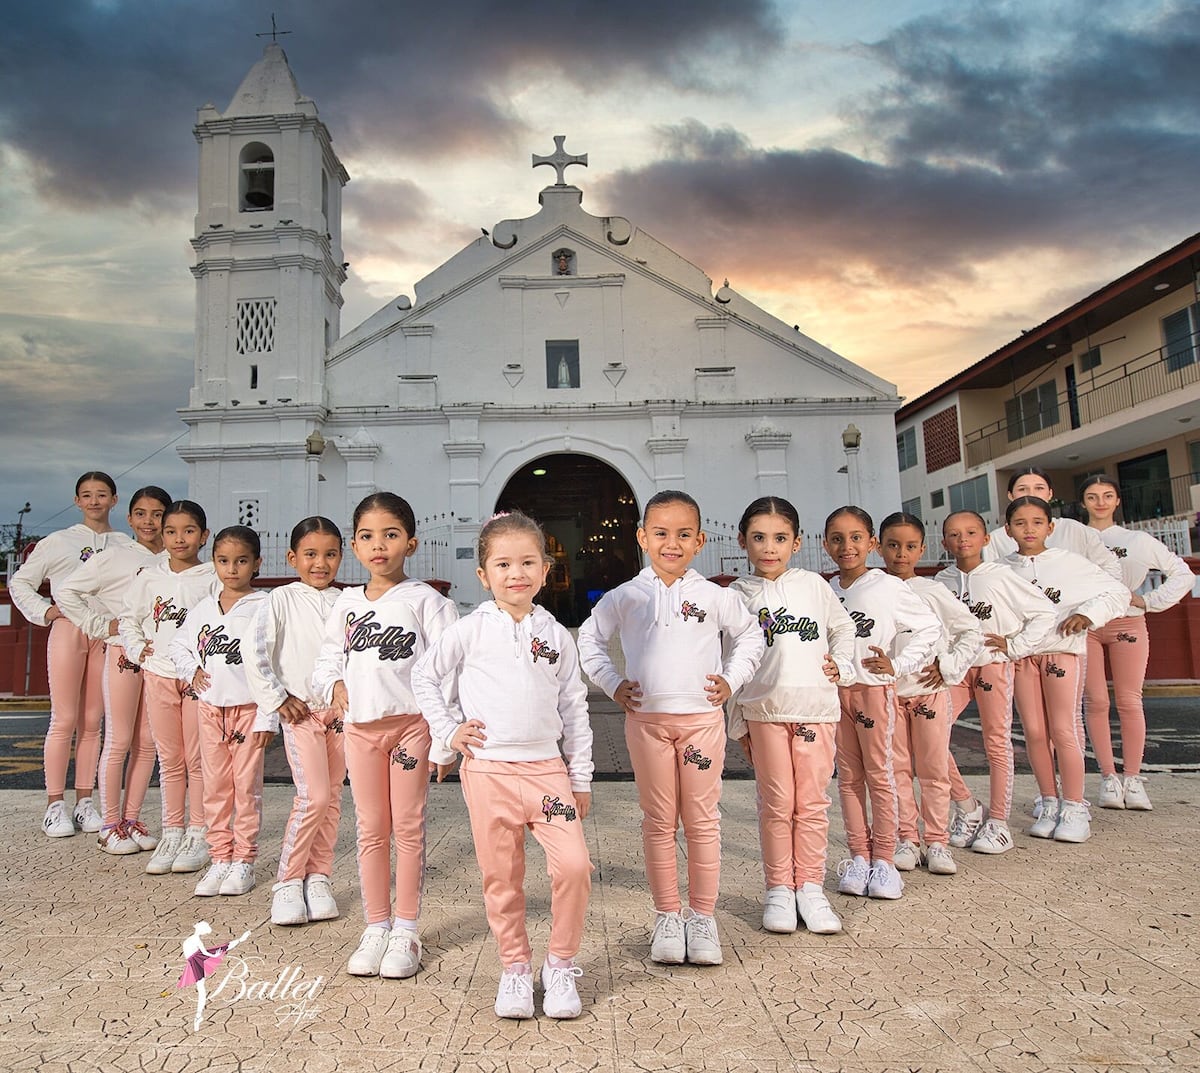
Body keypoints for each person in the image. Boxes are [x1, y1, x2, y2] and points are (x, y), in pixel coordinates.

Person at [413, 511, 594, 1020]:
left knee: (575, 866)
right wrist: (449, 731)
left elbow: (574, 708)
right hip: (488, 773)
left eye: (528, 562)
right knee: (502, 876)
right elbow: (426, 678)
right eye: (503, 563)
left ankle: (560, 965)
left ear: (545, 569)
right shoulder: (468, 630)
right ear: (484, 574)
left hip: (547, 774)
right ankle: (515, 968)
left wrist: (579, 775)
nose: (516, 573)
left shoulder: (556, 635)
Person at [578, 491, 764, 967]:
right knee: (659, 821)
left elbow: (750, 635)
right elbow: (589, 640)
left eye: (683, 534)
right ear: (643, 537)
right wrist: (613, 684)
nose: (672, 543)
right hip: (647, 724)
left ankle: (702, 917)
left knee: (702, 821)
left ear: (699, 540)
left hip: (702, 723)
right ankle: (667, 915)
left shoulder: (715, 597)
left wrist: (732, 678)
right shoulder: (626, 596)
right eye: (660, 533)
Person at [311, 493, 458, 980]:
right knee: (372, 829)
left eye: (391, 535)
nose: (379, 545)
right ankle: (376, 925)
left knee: (408, 828)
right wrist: (331, 683)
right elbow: (330, 655)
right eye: (368, 536)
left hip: (410, 730)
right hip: (361, 731)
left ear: (410, 543)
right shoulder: (347, 602)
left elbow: (448, 673)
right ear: (354, 545)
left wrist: (443, 739)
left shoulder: (429, 603)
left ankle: (407, 930)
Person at [726, 496, 855, 935]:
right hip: (763, 711)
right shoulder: (737, 596)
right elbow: (726, 657)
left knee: (813, 803)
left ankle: (811, 888)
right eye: (759, 538)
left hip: (815, 708)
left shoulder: (814, 586)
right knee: (777, 803)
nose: (769, 547)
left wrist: (844, 664)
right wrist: (735, 718)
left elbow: (842, 628)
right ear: (742, 541)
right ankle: (780, 889)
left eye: (780, 538)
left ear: (797, 542)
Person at [824, 506, 940, 901]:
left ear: (871, 543)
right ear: (825, 544)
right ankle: (859, 856)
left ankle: (886, 860)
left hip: (873, 691)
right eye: (837, 538)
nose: (847, 546)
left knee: (882, 774)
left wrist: (899, 663)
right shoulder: (826, 590)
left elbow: (929, 628)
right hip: (834, 694)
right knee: (849, 779)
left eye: (856, 537)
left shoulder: (886, 586)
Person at [9, 471, 132, 838]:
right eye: (87, 495)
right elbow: (20, 581)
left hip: (106, 633)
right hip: (68, 630)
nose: (95, 501)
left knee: (93, 720)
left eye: (102, 494)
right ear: (77, 501)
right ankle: (54, 805)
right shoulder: (59, 541)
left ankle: (84, 802)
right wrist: (47, 611)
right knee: (63, 718)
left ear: (114, 499)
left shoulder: (124, 544)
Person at [1002, 496, 1128, 843]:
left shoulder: (1070, 563)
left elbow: (1116, 592)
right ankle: (1049, 800)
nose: (1029, 529)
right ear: (1007, 528)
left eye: (1037, 522)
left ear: (1050, 527)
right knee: (1034, 731)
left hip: (1061, 653)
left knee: (1063, 729)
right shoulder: (1001, 569)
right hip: (1023, 658)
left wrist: (1088, 615)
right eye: (1021, 523)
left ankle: (1074, 805)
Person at [56, 485, 172, 854]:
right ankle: (109, 824)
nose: (149, 522)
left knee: (148, 742)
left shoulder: (174, 561)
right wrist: (101, 625)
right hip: (122, 652)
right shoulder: (114, 556)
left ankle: (132, 819)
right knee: (118, 738)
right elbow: (67, 592)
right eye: (141, 514)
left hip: (159, 662)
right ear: (130, 518)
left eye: (157, 514)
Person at [244, 516, 346, 925]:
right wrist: (277, 698)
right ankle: (288, 881)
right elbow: (255, 652)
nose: (320, 563)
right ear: (293, 557)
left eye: (330, 554)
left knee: (334, 797)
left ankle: (319, 877)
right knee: (313, 796)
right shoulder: (280, 599)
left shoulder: (347, 601)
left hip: (339, 713)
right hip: (301, 712)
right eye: (310, 554)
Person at [936, 510, 1057, 854]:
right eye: (954, 534)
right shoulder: (941, 583)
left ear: (986, 538)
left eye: (971, 532)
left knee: (996, 742)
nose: (963, 540)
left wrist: (1015, 646)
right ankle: (968, 807)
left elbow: (1044, 613)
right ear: (944, 541)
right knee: (930, 738)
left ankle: (999, 823)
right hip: (955, 671)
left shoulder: (1001, 577)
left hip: (992, 665)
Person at [878, 512, 983, 877]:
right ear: (879, 547)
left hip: (930, 694)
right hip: (887, 696)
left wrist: (949, 666)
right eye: (893, 545)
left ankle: (937, 841)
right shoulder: (873, 589)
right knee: (897, 769)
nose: (901, 554)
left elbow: (971, 631)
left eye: (909, 547)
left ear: (922, 549)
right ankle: (908, 838)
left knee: (934, 768)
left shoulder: (933, 591)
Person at [1080, 476, 1193, 811]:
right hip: (1085, 625)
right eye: (1092, 496)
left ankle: (1132, 777)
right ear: (1083, 502)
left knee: (1130, 700)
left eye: (1107, 495)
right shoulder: (1074, 539)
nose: (1099, 502)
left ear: (1117, 501)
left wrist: (1148, 601)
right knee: (1096, 701)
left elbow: (1182, 573)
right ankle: (1108, 779)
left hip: (1128, 621)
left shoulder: (1136, 540)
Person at [170, 526, 270, 897]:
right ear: (214, 563)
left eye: (241, 561)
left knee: (245, 788)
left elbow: (272, 663)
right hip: (210, 709)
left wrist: (267, 715)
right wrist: (190, 670)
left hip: (248, 710)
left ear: (256, 563)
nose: (232, 569)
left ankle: (244, 861)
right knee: (215, 788)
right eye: (224, 561)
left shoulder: (264, 607)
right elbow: (180, 647)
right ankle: (219, 858)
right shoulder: (203, 609)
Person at [119, 499, 217, 875]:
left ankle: (199, 831)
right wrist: (135, 645)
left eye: (189, 531)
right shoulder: (149, 577)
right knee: (170, 757)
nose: (180, 539)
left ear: (203, 536)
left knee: (197, 758)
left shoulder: (211, 577)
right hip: (158, 673)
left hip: (196, 678)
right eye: (172, 531)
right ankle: (172, 831)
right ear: (162, 535)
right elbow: (129, 619)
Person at [983, 466, 1120, 579]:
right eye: (1022, 489)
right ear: (1010, 495)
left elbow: (1110, 566)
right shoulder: (996, 539)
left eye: (1039, 488)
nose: (1031, 494)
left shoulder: (1072, 529)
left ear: (1050, 494)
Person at [178, 922, 251, 1033]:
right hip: (197, 960)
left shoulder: (189, 940)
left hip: (194, 961)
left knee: (201, 989)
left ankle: (199, 1015)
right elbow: (205, 953)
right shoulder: (196, 939)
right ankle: (198, 1015)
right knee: (202, 990)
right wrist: (215, 956)